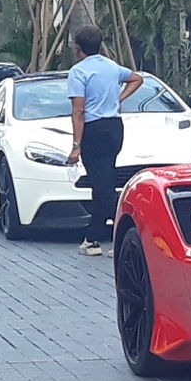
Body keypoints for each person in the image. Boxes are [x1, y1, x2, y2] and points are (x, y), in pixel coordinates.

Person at [64, 26, 144, 257]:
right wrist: (119, 98)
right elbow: (137, 78)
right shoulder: (111, 67)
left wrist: (76, 146)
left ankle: (123, 231)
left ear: (77, 47)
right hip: (114, 127)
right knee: (104, 181)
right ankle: (93, 238)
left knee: (102, 187)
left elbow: (78, 111)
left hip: (94, 129)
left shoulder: (78, 73)